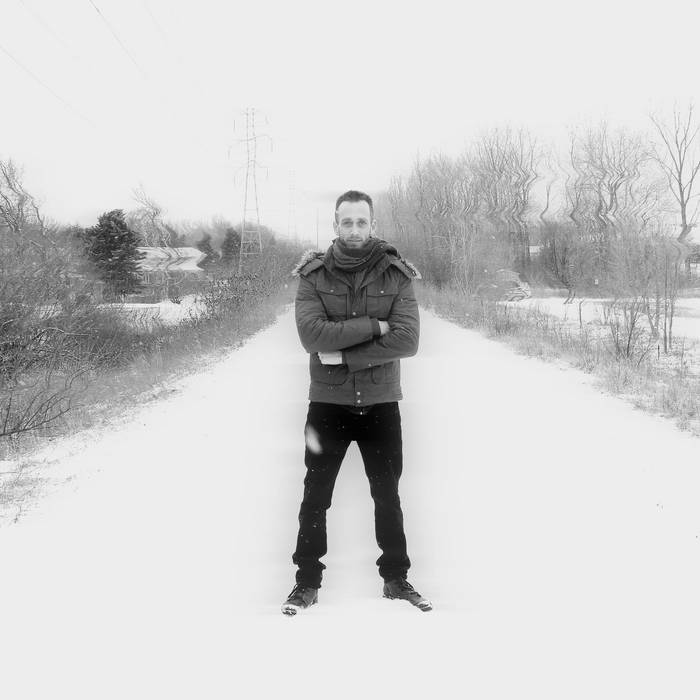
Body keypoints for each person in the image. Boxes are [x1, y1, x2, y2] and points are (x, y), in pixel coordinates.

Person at [282, 190, 431, 615]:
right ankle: (306, 582)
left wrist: (346, 355)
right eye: (346, 222)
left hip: (381, 403)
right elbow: (312, 336)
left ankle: (396, 579)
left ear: (372, 224)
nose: (354, 229)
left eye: (361, 221)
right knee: (315, 495)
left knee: (387, 495)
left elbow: (408, 340)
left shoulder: (397, 275)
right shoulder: (313, 275)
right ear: (335, 225)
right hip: (327, 405)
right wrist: (375, 326)